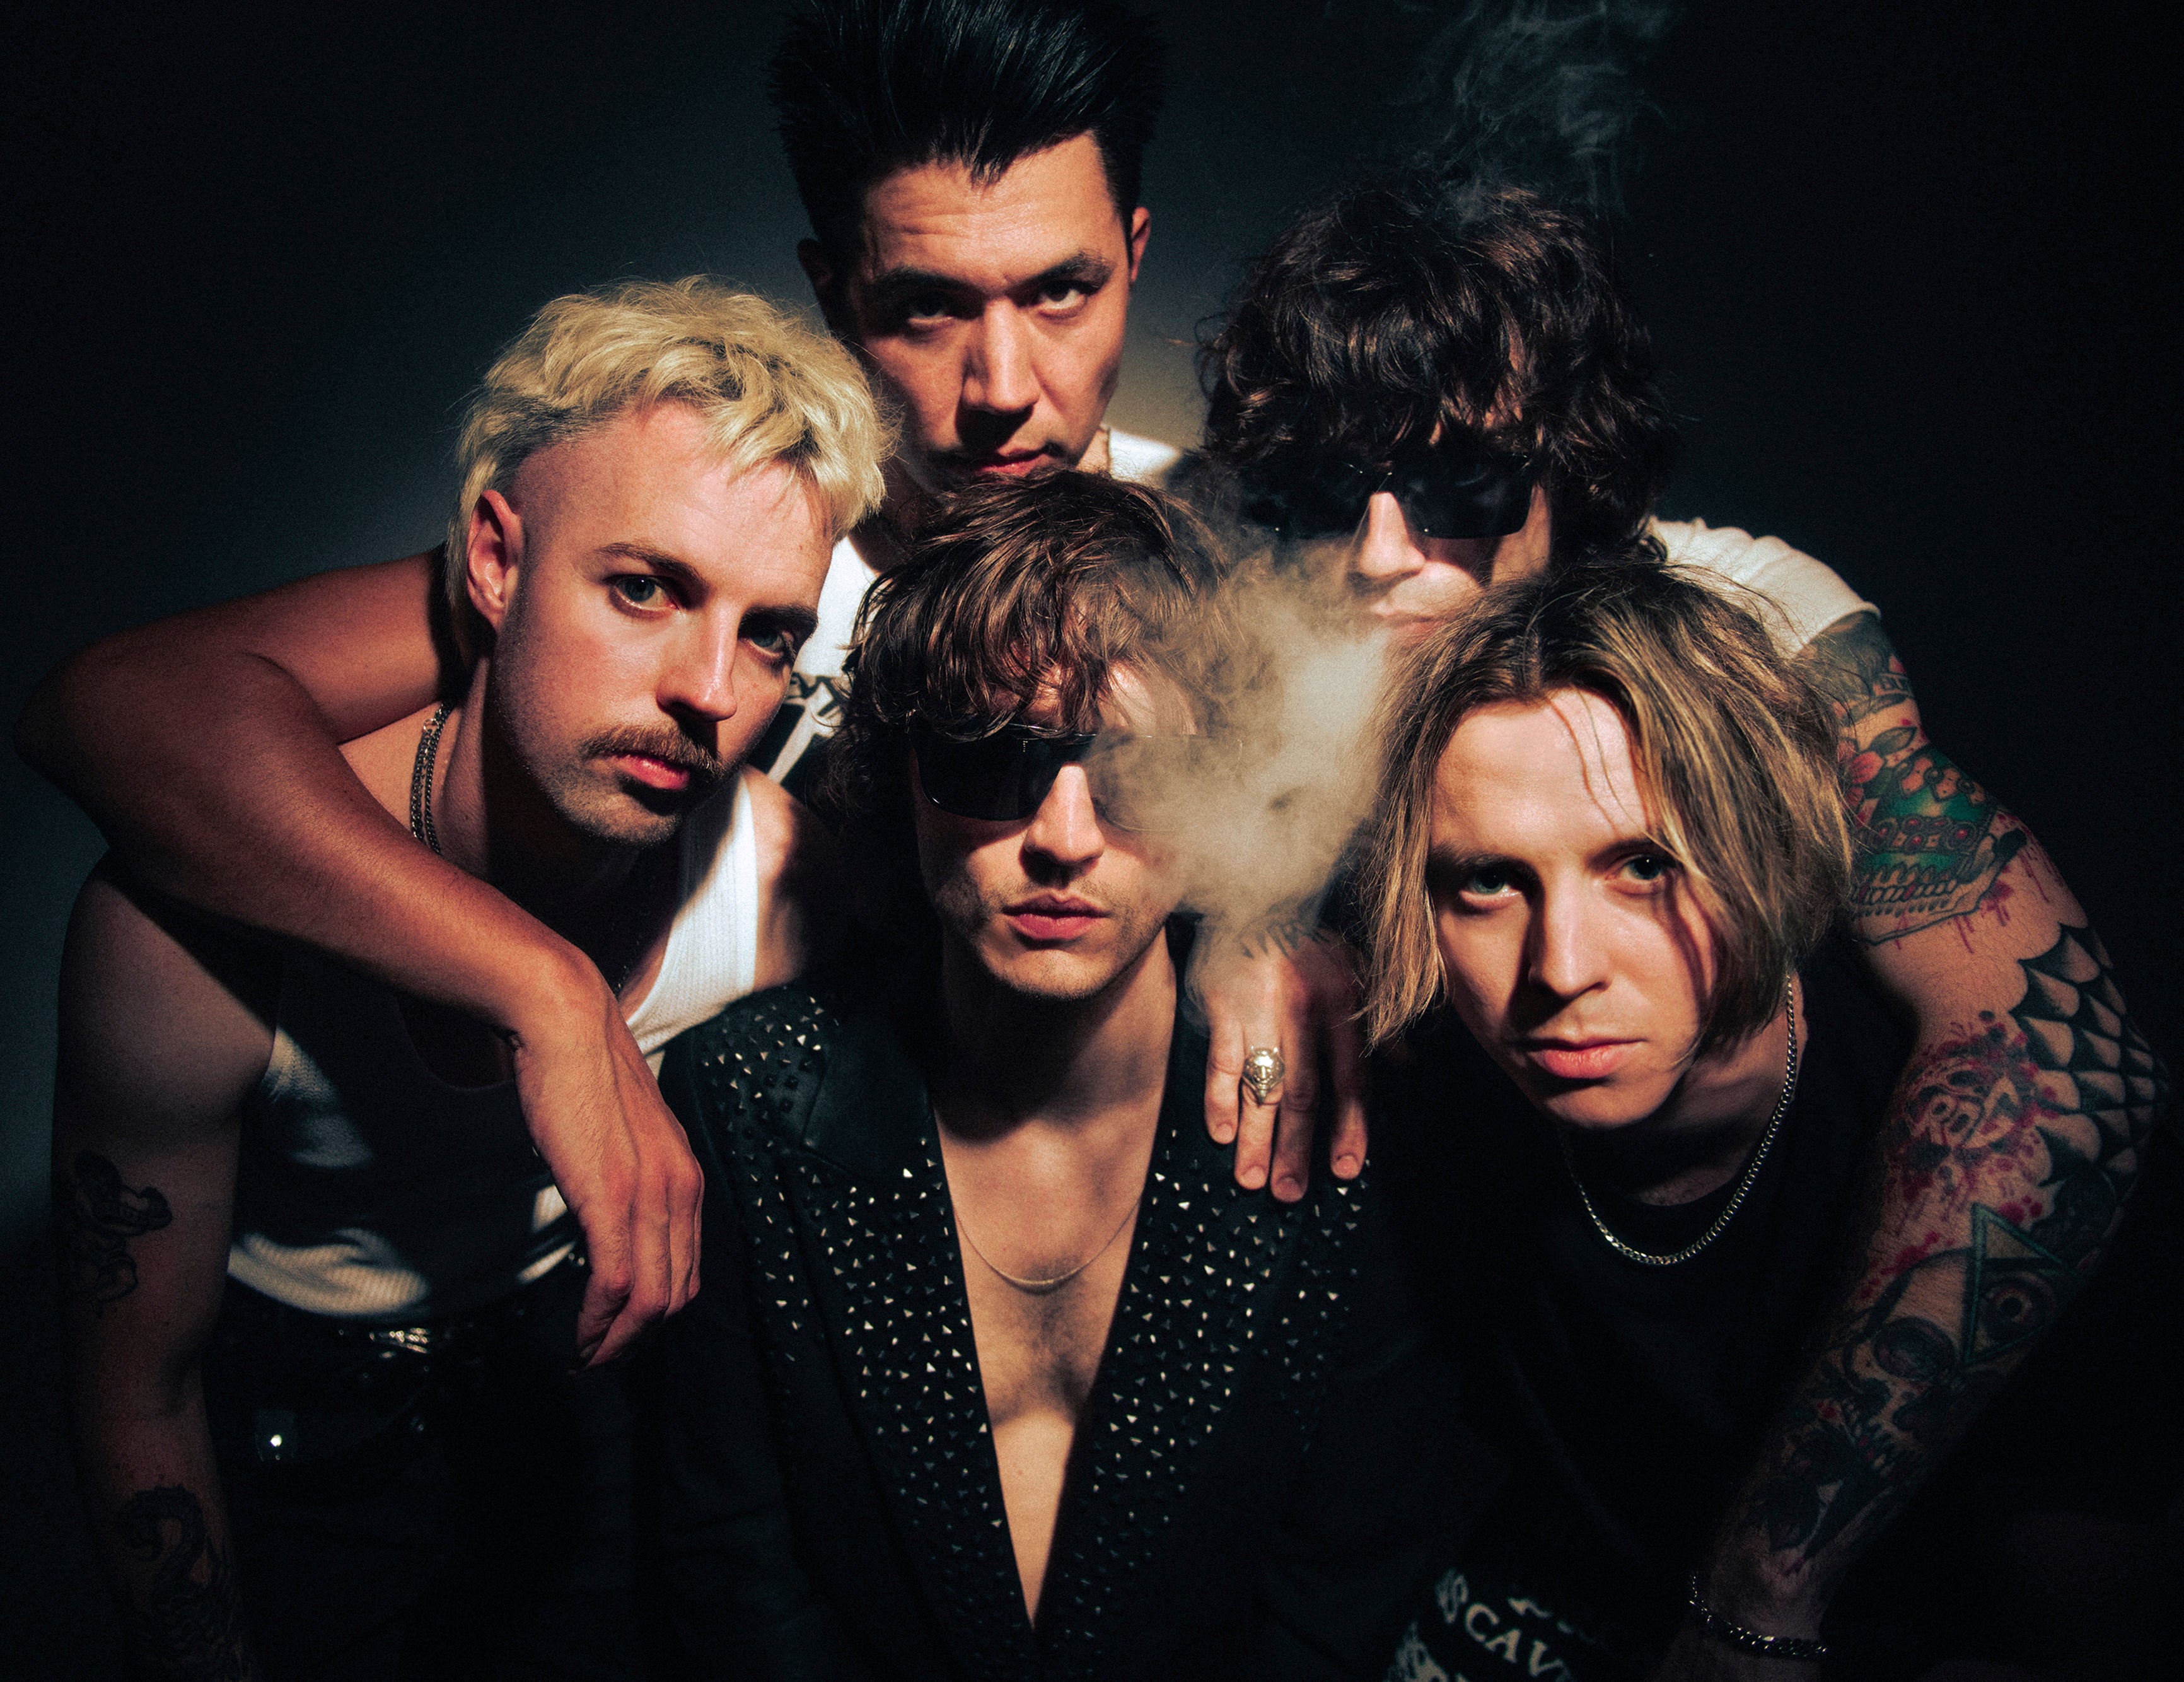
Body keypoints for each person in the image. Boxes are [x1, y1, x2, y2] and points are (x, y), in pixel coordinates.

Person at [17, 6, 1354, 1356]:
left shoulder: (1225, 568)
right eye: (926, 306)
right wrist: (545, 989)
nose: (1002, 386)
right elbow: (118, 712)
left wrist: (1272, 915)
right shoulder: (725, 544)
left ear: (1134, 256)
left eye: (1060, 291)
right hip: (669, 1320)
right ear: (833, 294)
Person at [1190, 176, 2166, 1664]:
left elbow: (2051, 1064)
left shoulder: (1744, 630)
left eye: (1458, 486)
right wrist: (1244, 916)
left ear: (1569, 483)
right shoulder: (1273, 609)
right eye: (1332, 489)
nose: (1380, 554)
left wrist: (1761, 1593)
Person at [50, 278, 886, 1679]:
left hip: (582, 1426)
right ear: (494, 561)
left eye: (767, 633)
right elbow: (139, 1389)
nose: (707, 688)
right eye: (644, 588)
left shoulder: (781, 892)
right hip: (293, 1443)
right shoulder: (194, 925)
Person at [647, 471, 1472, 1680]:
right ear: (902, 774)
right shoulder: (748, 1100)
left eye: (1135, 770)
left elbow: (1339, 1588)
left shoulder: (1328, 1117)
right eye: (991, 764)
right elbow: (732, 1573)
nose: (1065, 839)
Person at [1356, 561, 2175, 1678]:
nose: (1559, 968)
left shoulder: (1978, 1153)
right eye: (1488, 882)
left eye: (1643, 866)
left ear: (1769, 848)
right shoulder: (1438, 1107)